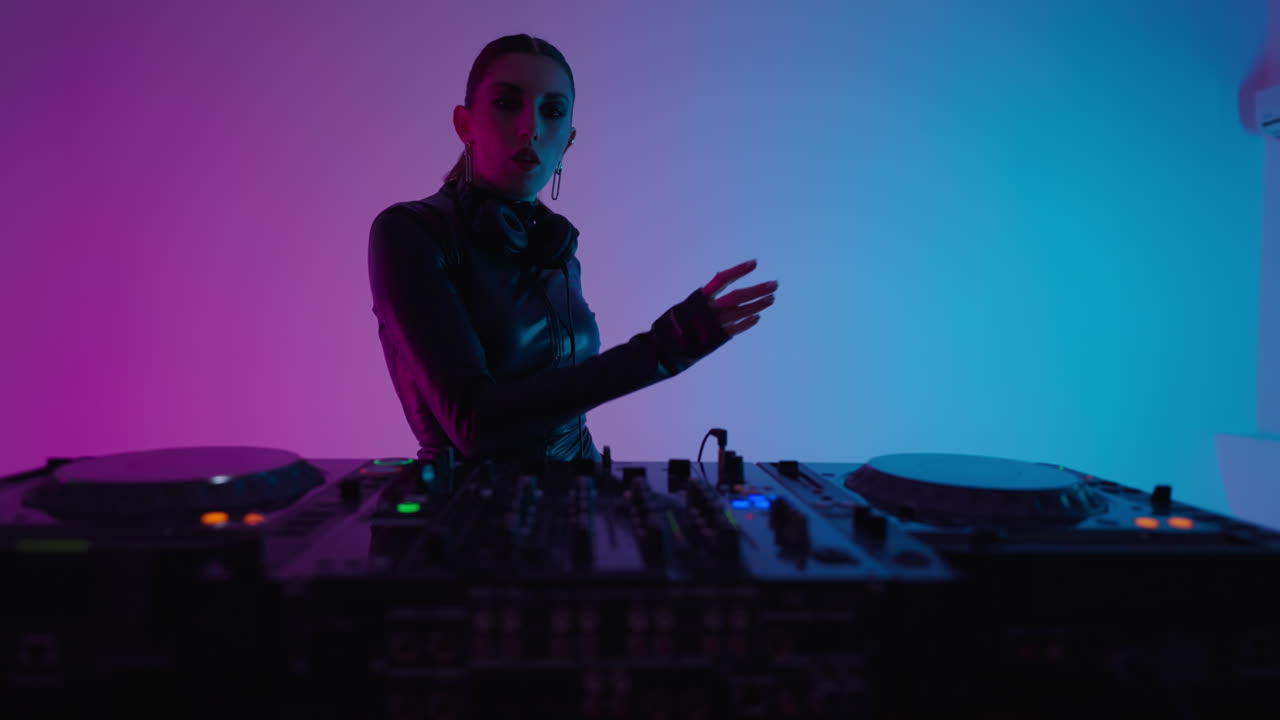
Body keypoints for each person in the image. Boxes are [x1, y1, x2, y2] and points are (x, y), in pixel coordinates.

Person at [367, 33, 778, 466]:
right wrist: (666, 346)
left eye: (553, 111)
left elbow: (564, 412)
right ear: (465, 125)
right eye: (508, 104)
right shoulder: (408, 232)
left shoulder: (550, 244)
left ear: (568, 139)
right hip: (465, 516)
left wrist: (608, 498)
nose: (531, 127)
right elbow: (478, 426)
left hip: (578, 491)